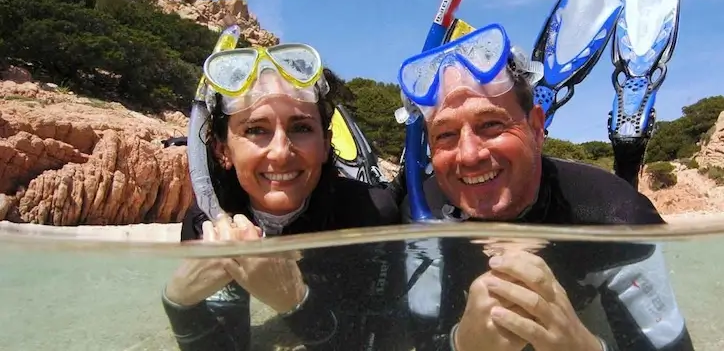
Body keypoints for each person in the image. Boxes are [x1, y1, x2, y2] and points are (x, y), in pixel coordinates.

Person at [393, 23, 695, 350]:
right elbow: (419, 339)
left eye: (491, 125)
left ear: (537, 128)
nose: (469, 155)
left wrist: (582, 347)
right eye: (446, 135)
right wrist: (462, 344)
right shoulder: (422, 213)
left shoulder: (618, 216)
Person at [160, 39, 405, 351]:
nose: (280, 152)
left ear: (326, 143)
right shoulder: (206, 223)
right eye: (255, 130)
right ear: (223, 151)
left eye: (301, 128)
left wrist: (295, 301)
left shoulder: (371, 213)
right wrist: (179, 304)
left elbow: (374, 343)